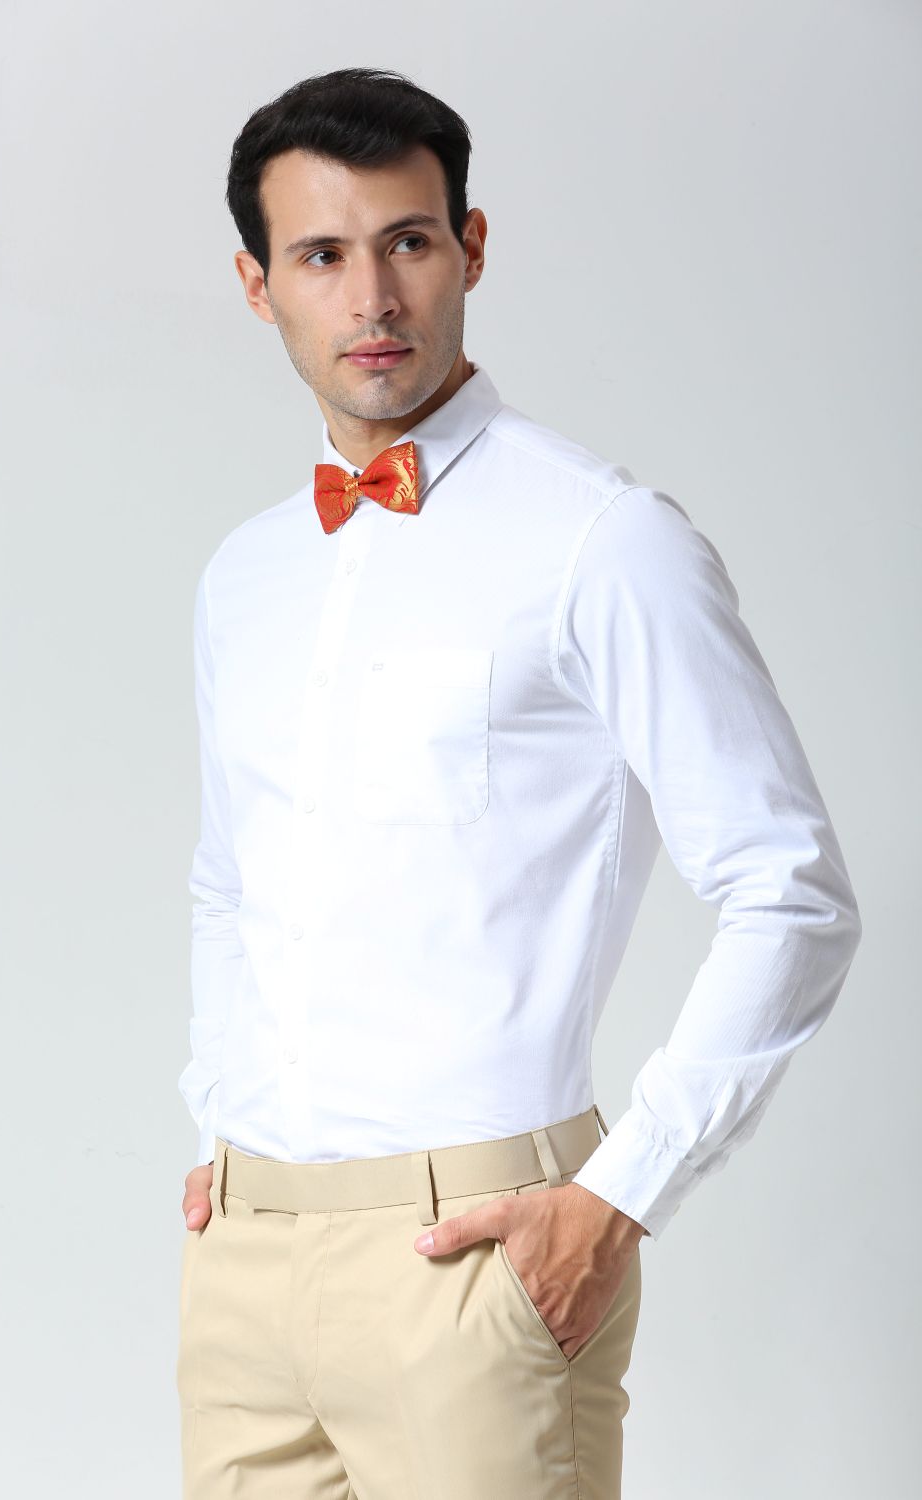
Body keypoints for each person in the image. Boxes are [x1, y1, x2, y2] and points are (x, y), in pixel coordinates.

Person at [174, 65, 862, 1500]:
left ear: (471, 249)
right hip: (246, 1266)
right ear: (257, 286)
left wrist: (619, 1196)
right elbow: (232, 880)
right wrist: (219, 1124)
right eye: (322, 255)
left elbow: (790, 890)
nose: (373, 296)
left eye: (409, 242)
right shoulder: (246, 576)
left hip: (478, 1260)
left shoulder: (602, 540)